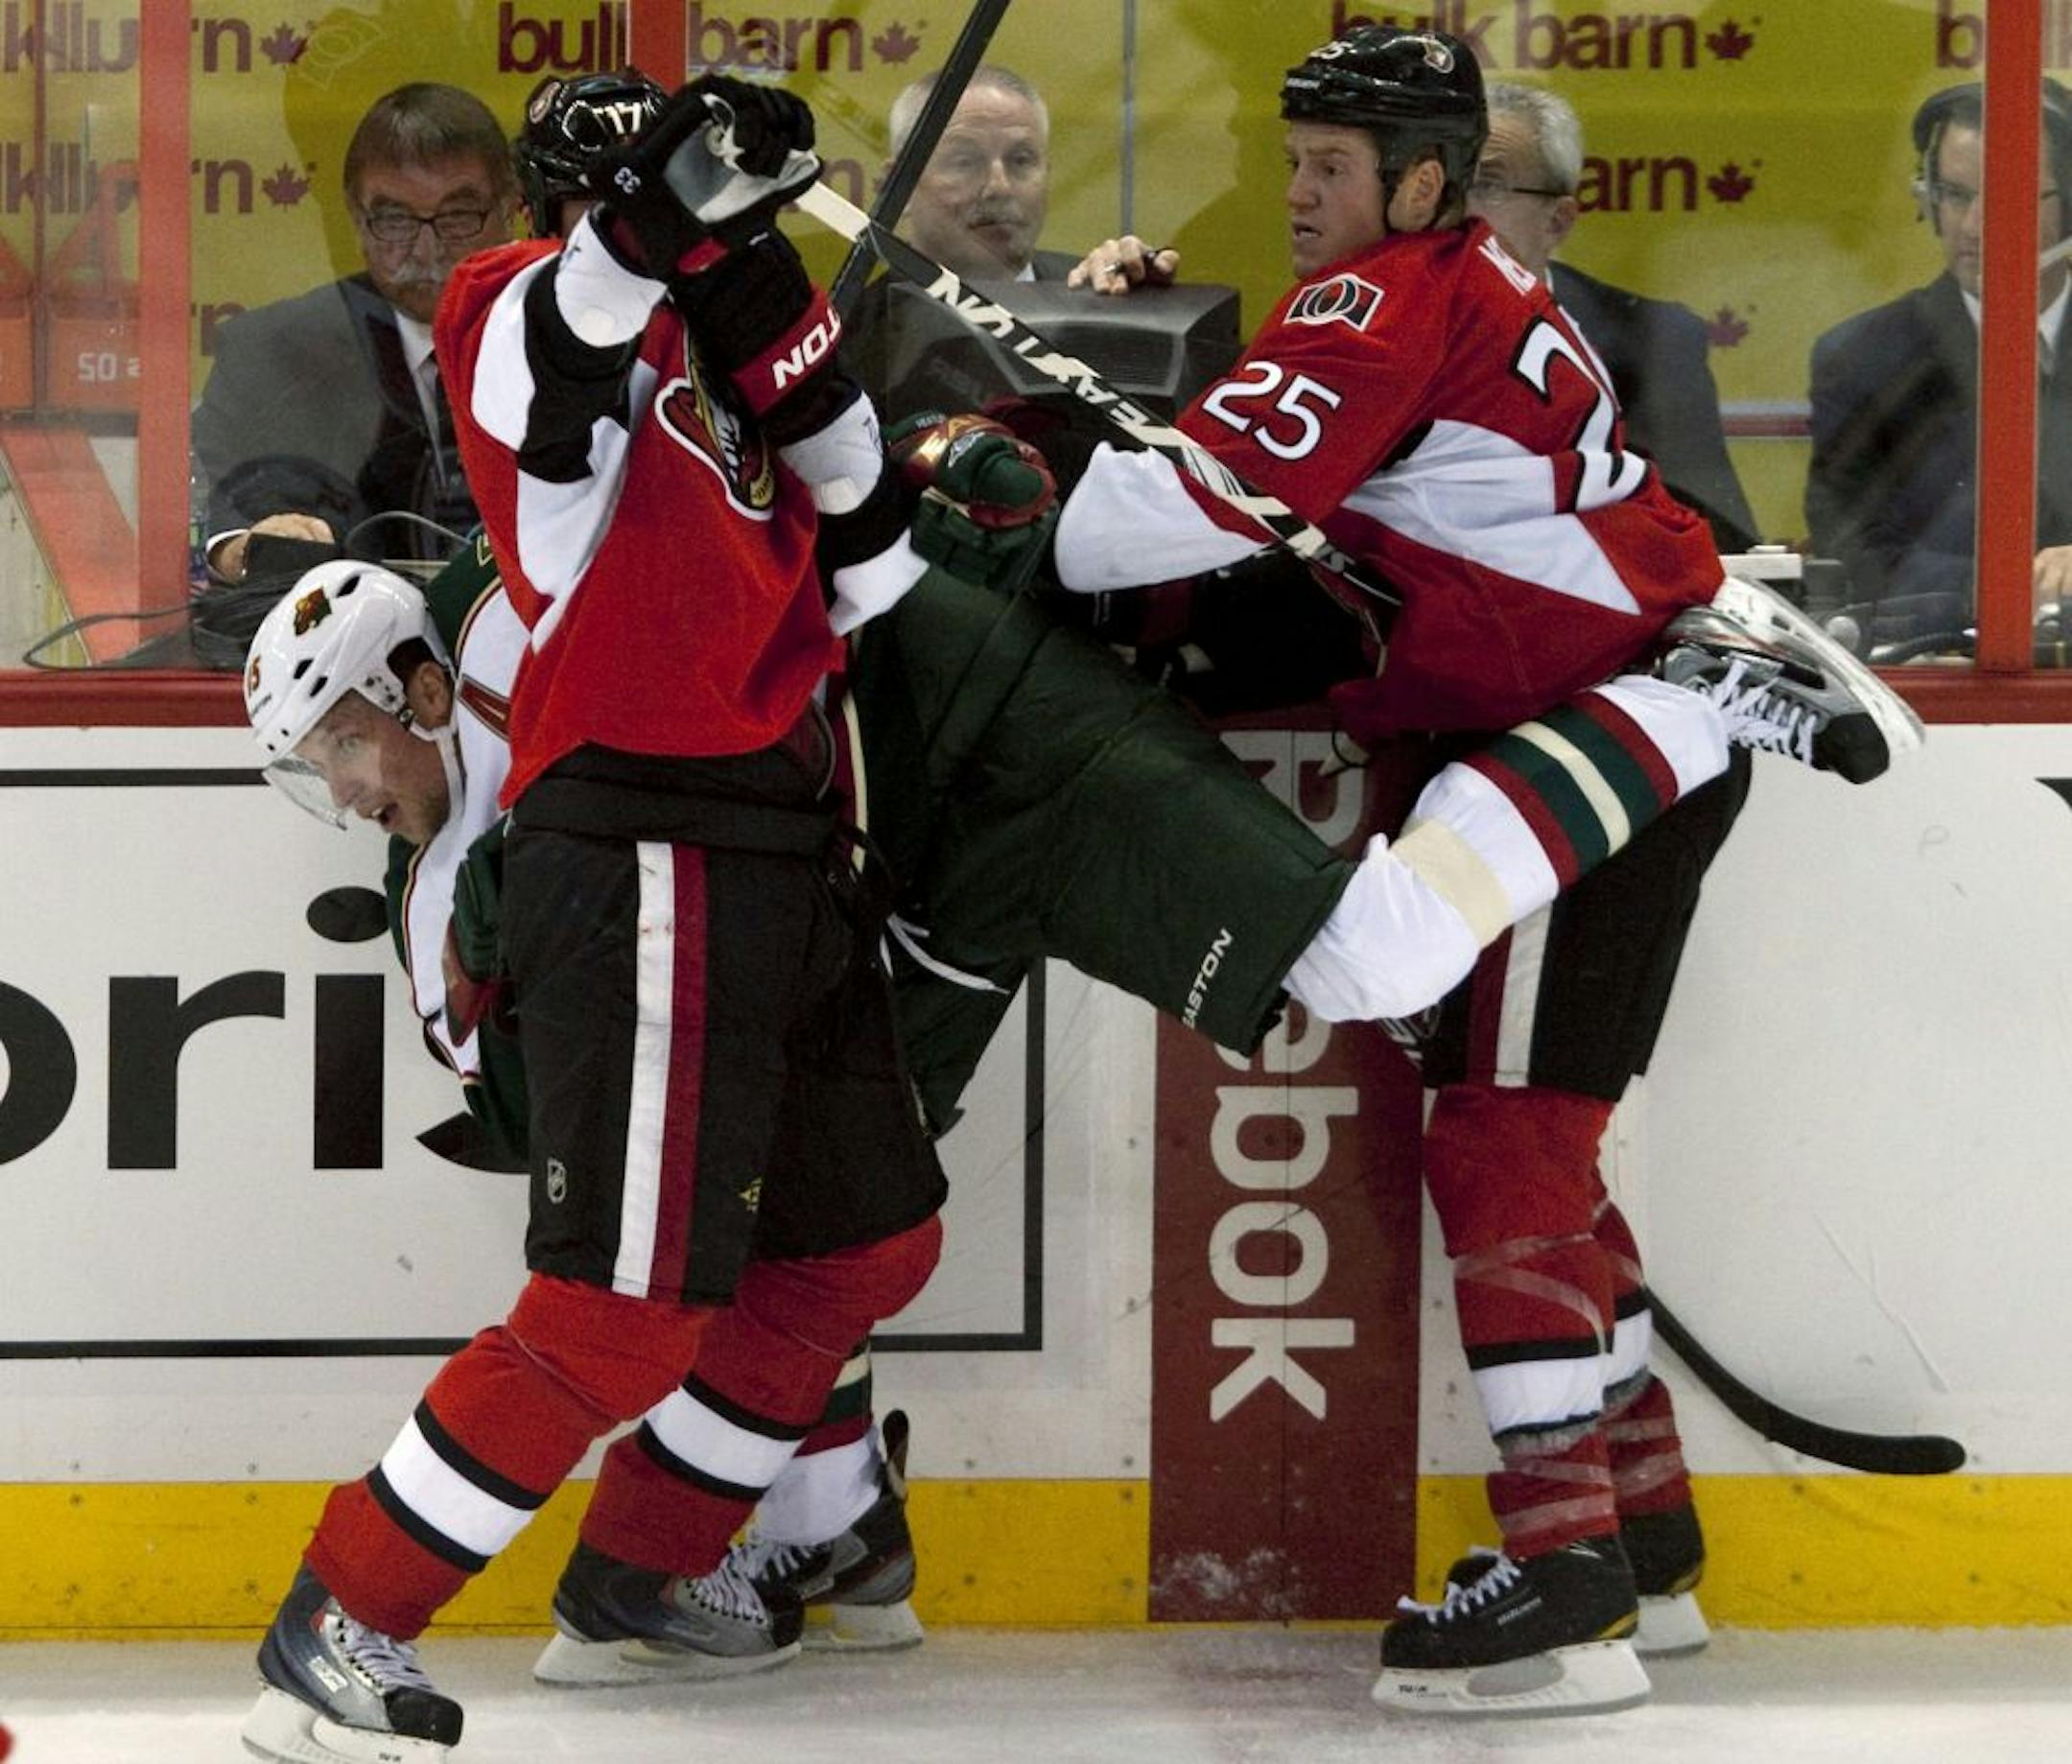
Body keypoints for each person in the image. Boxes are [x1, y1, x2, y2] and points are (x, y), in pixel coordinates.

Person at [1049, 22, 1918, 1717]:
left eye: (1329, 168)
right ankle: (1642, 1538)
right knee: (1542, 1131)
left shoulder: (1384, 301)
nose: (1297, 193)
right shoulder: (1472, 284)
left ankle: (1566, 1582)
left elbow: (1164, 523)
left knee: (1499, 1131)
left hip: (1587, 721)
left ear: (1427, 181)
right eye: (1291, 158)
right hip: (1616, 704)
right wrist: (1145, 377)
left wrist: (1068, 495)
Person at [238, 75, 952, 1764]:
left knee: (863, 1241)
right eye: (647, 200)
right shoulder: (510, 306)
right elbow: (564, 336)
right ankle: (344, 1608)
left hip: (781, 840)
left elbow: (868, 527)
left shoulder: (717, 346)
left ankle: (642, 1568)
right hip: (644, 838)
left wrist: (759, 280)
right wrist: (665, 214)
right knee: (617, 1307)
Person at [191, 82, 518, 579]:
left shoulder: (578, 343)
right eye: (395, 220)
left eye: (457, 216)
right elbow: (225, 520)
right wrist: (248, 547)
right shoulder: (271, 351)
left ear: (512, 208)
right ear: (355, 218)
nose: (427, 251)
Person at [1807, 78, 2072, 644]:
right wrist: (2000, 587)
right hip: (1944, 676)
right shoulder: (1862, 359)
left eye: (2009, 195)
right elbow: (1853, 551)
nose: (1974, 227)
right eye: (1954, 195)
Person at [1471, 82, 1759, 553]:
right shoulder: (1365, 330)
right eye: (1442, 179)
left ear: (1558, 221)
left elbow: (1711, 537)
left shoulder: (1650, 344)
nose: (1455, 206)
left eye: (1486, 185)